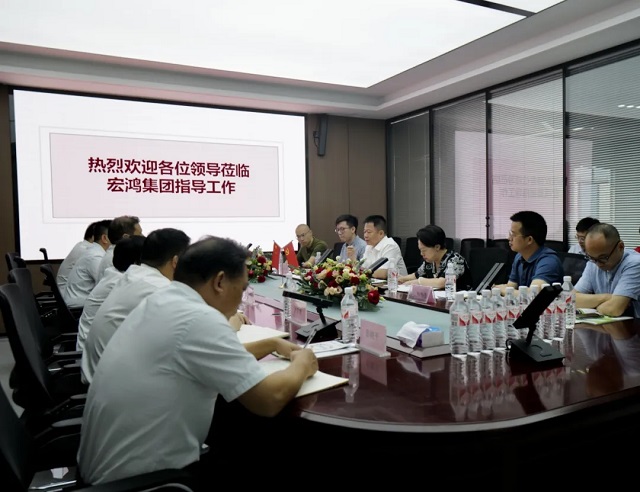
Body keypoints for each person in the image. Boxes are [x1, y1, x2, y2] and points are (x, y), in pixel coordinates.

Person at [77, 236, 318, 487]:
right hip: (147, 483)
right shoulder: (198, 318)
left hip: (107, 472)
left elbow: (205, 355)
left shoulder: (164, 300)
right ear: (220, 281)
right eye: (242, 289)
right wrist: (302, 363)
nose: (240, 300)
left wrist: (271, 344)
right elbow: (269, 400)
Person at [81, 228, 191, 384]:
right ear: (176, 262)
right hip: (113, 384)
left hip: (103, 375)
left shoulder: (135, 275)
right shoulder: (159, 288)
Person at [76, 235, 145, 352]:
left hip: (97, 347)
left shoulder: (114, 274)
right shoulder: (122, 283)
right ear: (137, 261)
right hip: (93, 354)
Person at [575, 223, 640, 317]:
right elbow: (571, 300)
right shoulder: (592, 263)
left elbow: (614, 309)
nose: (598, 264)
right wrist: (606, 298)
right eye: (592, 258)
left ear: (620, 247)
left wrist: (592, 304)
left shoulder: (635, 263)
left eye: (603, 258)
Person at [494, 210, 563, 294]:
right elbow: (511, 286)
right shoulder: (519, 256)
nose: (509, 238)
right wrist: (499, 289)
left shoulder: (548, 261)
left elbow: (533, 294)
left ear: (529, 240)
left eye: (513, 235)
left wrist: (503, 290)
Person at [398, 225, 472, 290]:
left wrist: (419, 282)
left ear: (437, 247)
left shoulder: (455, 259)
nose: (421, 254)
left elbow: (442, 282)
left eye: (424, 250)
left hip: (460, 299)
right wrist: (401, 279)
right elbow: (416, 275)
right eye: (420, 250)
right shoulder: (430, 261)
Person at [62, 219, 112, 308]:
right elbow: (107, 285)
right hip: (78, 307)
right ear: (105, 238)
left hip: (81, 301)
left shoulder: (95, 251)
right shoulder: (95, 256)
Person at [96, 215, 144, 282]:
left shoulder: (116, 253)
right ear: (126, 237)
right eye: (140, 233)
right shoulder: (118, 257)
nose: (143, 236)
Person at [361, 215, 407, 280]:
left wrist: (364, 273)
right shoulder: (369, 246)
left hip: (397, 284)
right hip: (377, 283)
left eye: (369, 232)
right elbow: (362, 268)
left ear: (381, 233)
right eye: (364, 232)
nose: (365, 235)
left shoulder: (390, 245)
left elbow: (383, 273)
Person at [57, 221, 98, 291]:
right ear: (93, 237)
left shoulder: (81, 245)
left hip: (67, 289)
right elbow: (100, 277)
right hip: (68, 292)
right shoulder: (88, 251)